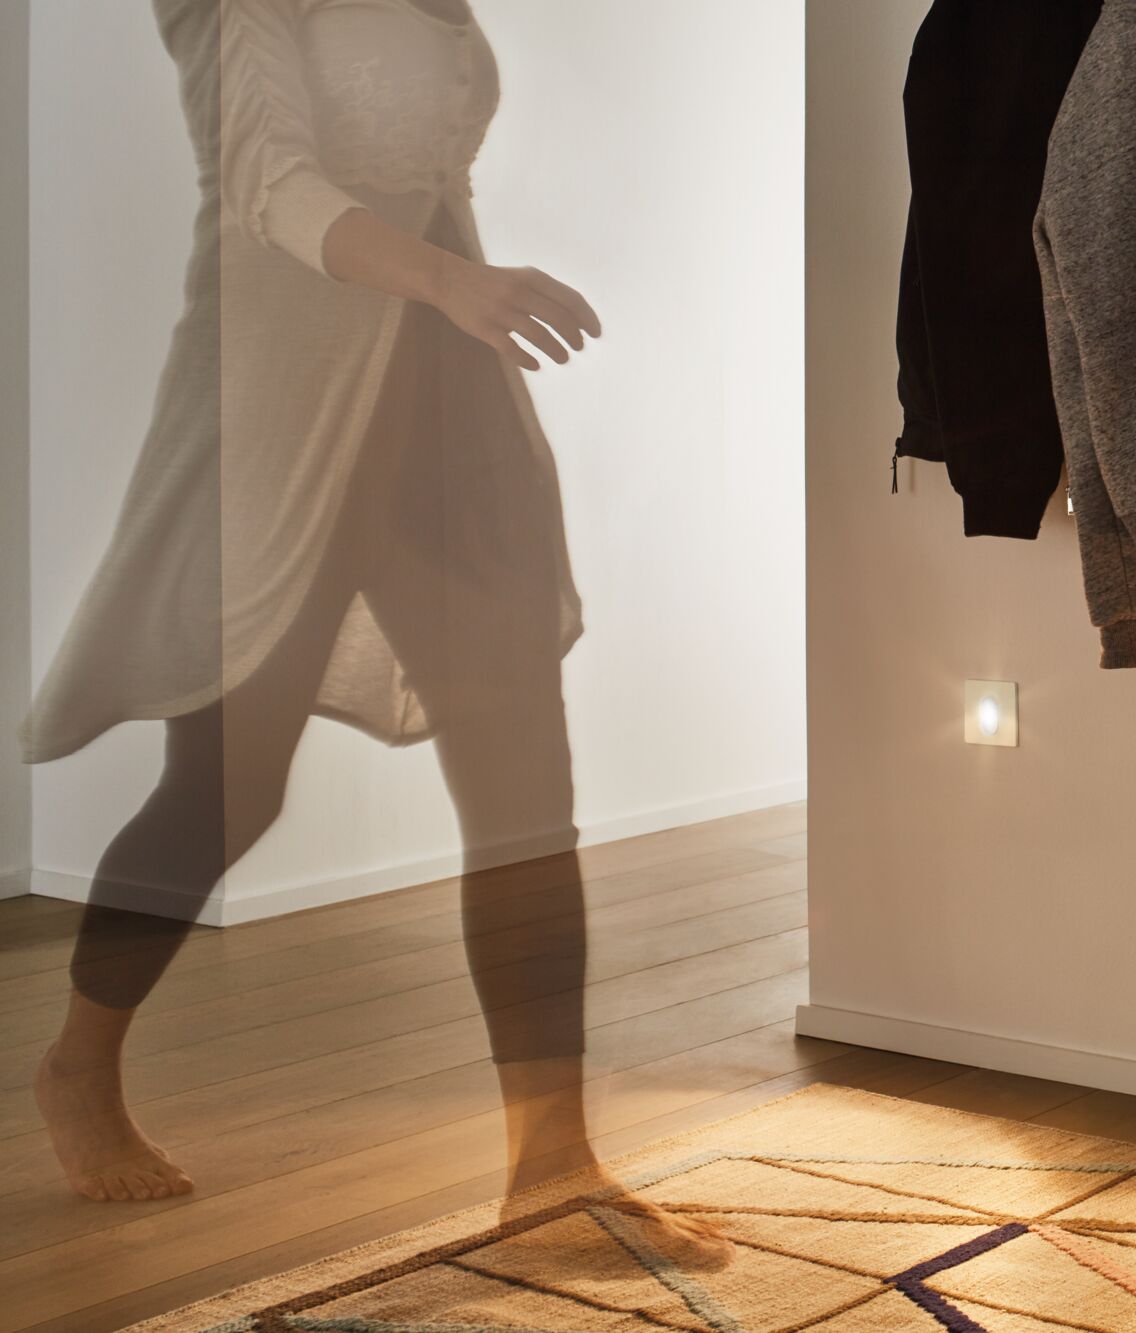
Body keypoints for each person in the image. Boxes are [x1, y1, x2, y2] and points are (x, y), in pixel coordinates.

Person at [22, 0, 730, 1270]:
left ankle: (553, 1169)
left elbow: (430, 180)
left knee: (526, 794)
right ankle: (80, 1061)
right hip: (280, 421)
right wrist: (456, 282)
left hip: (454, 414)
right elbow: (267, 182)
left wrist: (464, 297)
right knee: (225, 791)